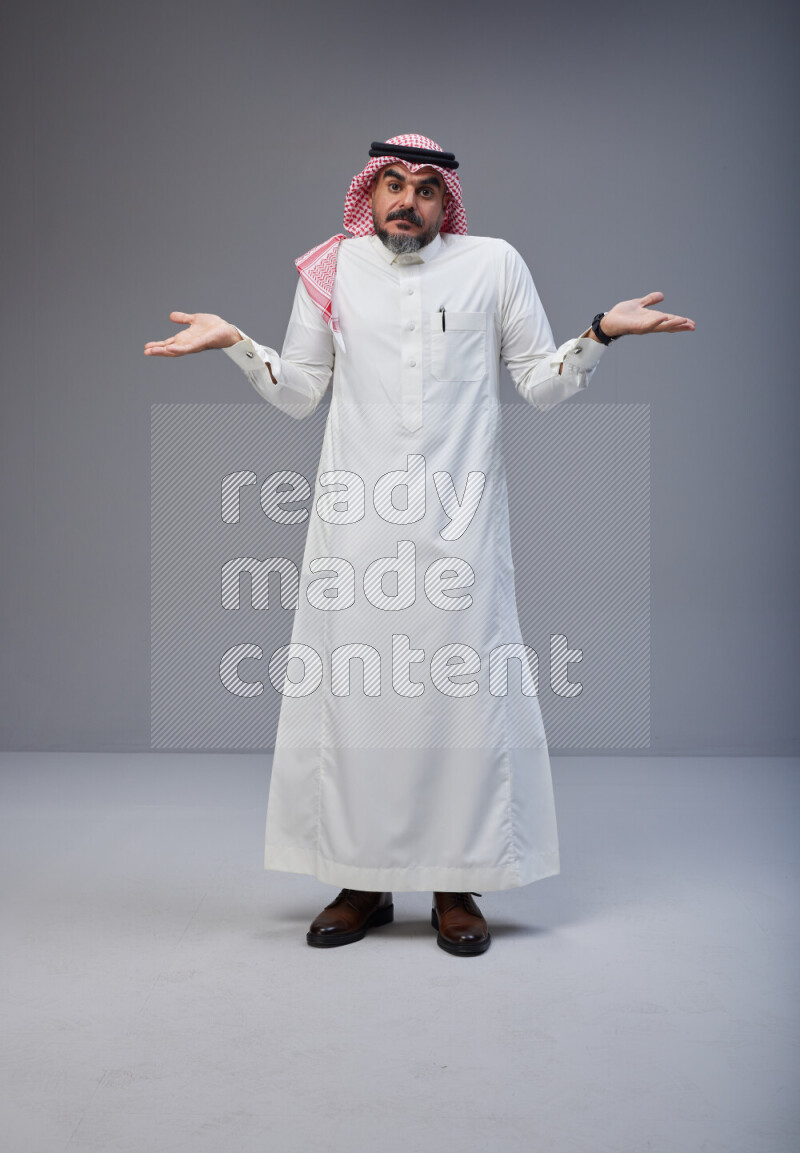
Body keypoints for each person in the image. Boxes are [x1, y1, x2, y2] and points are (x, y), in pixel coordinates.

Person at [144, 133, 695, 957]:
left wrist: (600, 332)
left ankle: (454, 885)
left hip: (460, 523)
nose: (408, 201)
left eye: (426, 188)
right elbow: (299, 394)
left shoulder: (494, 264)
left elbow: (541, 383)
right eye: (393, 185)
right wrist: (235, 343)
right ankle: (361, 883)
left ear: (448, 201)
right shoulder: (332, 269)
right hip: (354, 523)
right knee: (359, 699)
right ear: (369, 195)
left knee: (458, 700)